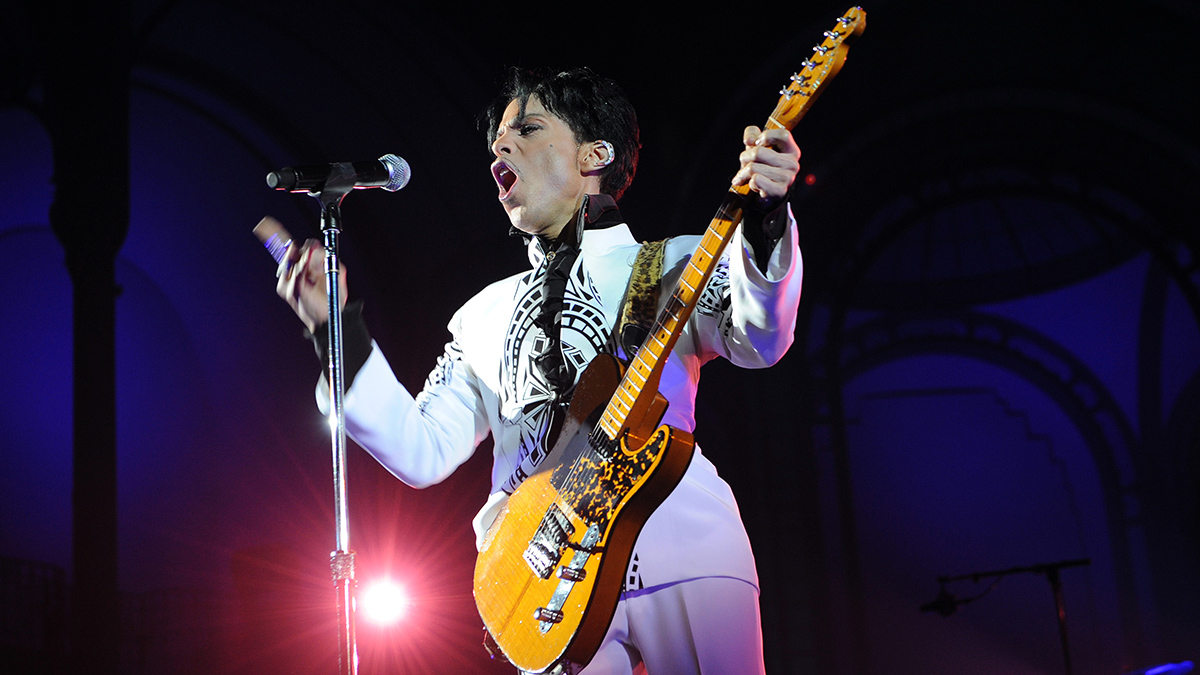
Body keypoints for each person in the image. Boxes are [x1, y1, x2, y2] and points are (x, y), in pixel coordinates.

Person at [276, 67, 802, 675]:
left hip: (682, 548)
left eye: (527, 129)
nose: (501, 147)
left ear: (594, 156)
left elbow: (761, 339)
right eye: (497, 138)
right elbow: (420, 452)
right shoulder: (481, 317)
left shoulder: (677, 261)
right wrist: (335, 331)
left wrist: (767, 222)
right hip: (543, 584)